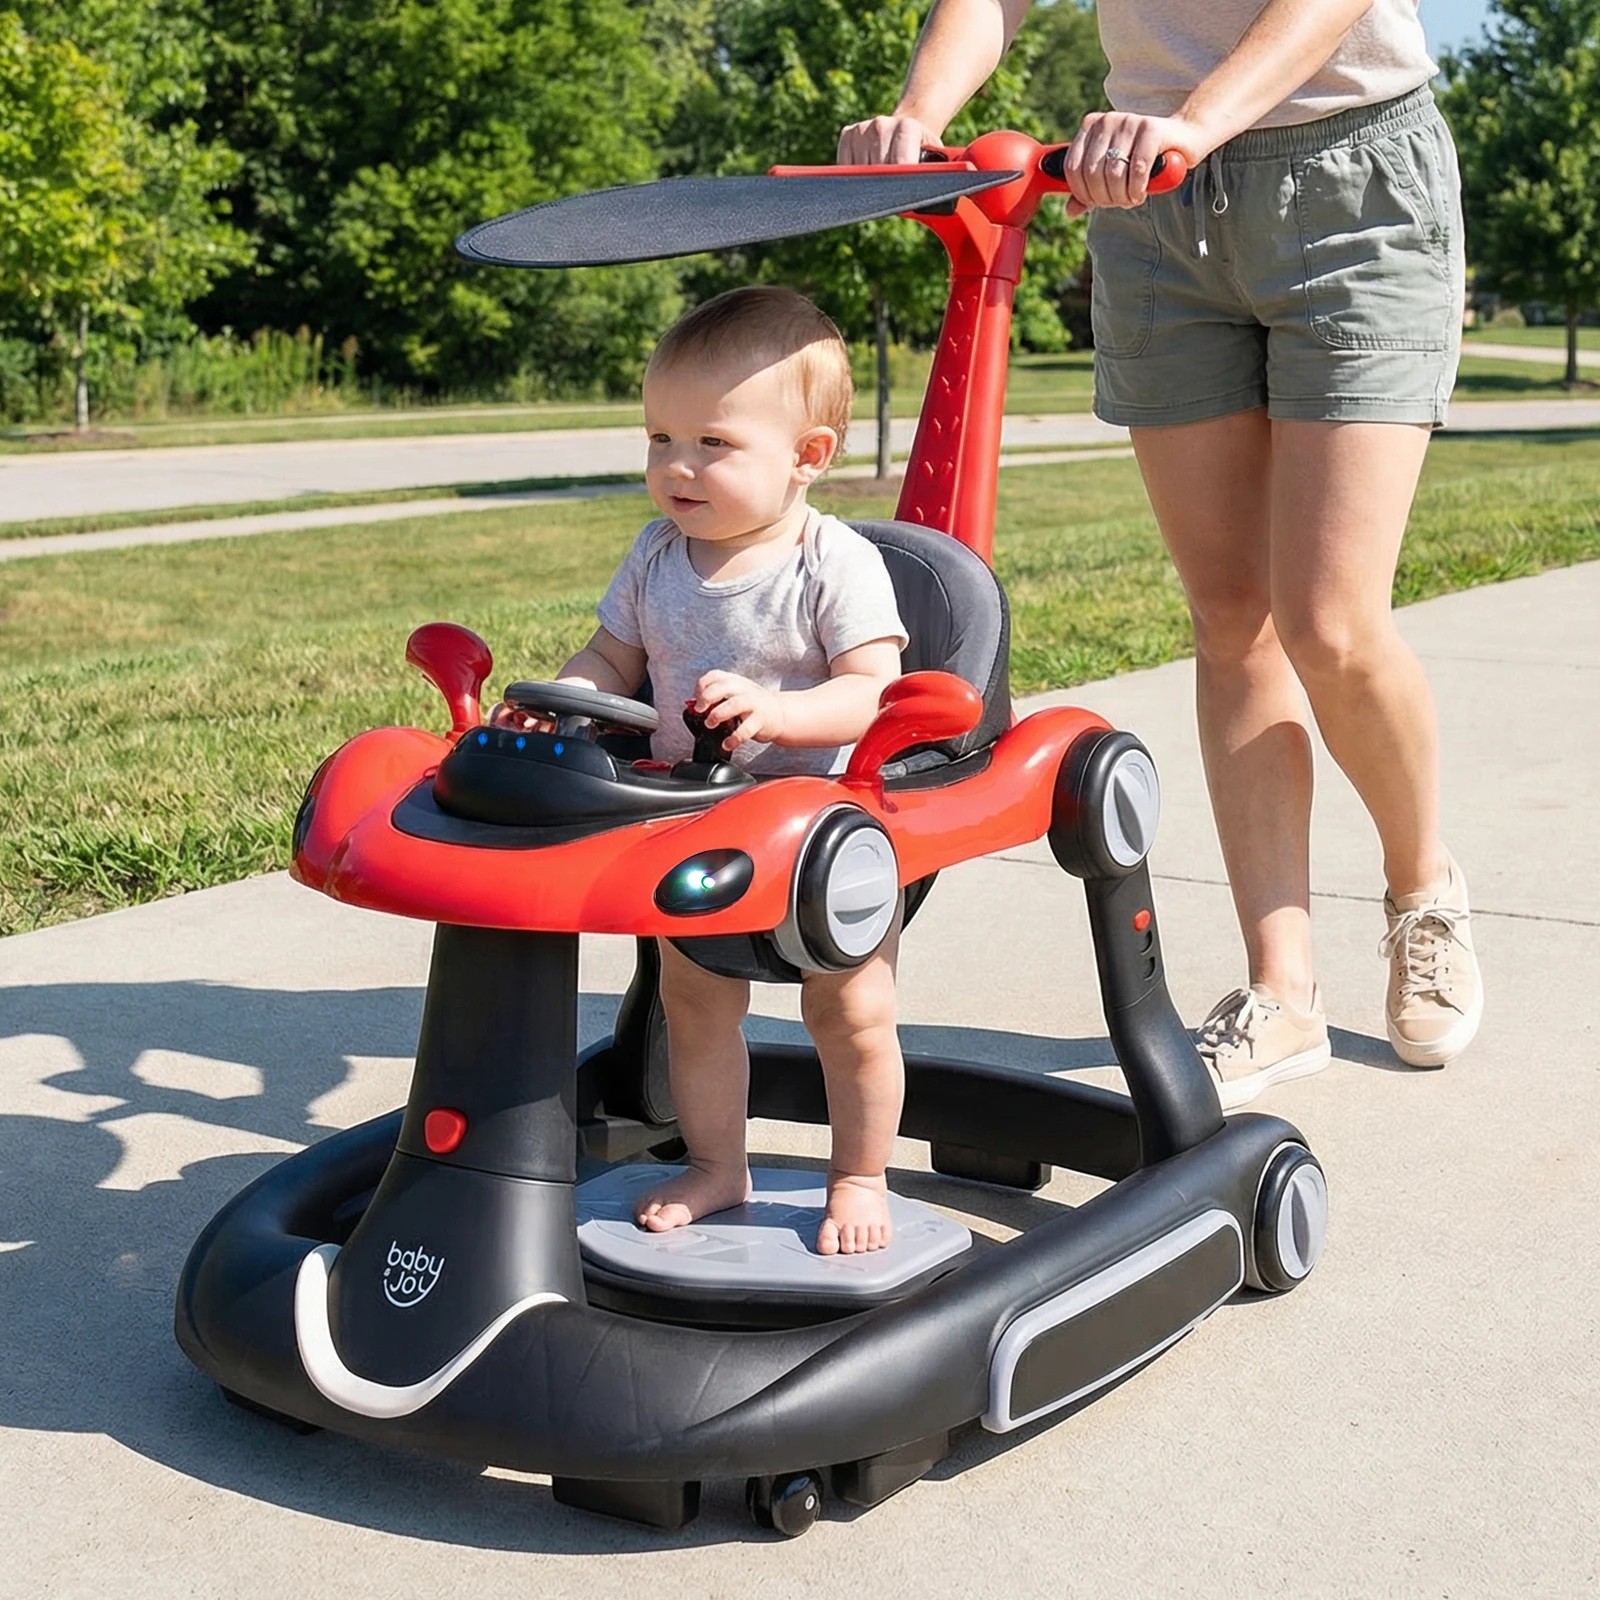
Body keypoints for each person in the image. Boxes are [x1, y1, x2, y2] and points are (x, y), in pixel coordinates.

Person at [839, 0, 1483, 1108]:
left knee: (1329, 622)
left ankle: (1422, 888)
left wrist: (1197, 119)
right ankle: (1281, 990)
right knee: (1232, 618)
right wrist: (917, 112)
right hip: (1147, 196)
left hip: (1348, 178)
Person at [531, 285, 909, 1252]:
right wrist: (560, 697)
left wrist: (780, 712)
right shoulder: (657, 554)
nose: (676, 466)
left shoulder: (832, 562)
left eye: (712, 443)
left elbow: (875, 692)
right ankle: (715, 1164)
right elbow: (610, 658)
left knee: (851, 1010)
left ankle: (859, 1175)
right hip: (691, 824)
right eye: (660, 438)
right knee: (696, 1009)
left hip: (819, 839)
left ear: (808, 457)